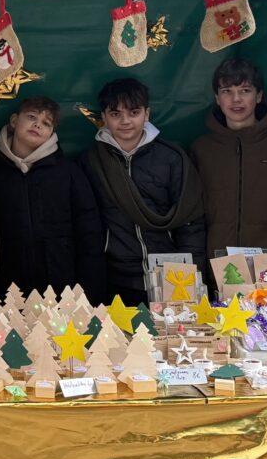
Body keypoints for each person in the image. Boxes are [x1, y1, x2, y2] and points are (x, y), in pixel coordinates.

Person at [78, 78, 206, 306]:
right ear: (104, 117)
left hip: (169, 278)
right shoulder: (90, 162)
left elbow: (191, 221)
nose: (125, 121)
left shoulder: (171, 158)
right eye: (116, 114)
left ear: (147, 114)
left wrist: (190, 274)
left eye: (134, 112)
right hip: (113, 278)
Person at [0, 96, 106, 303]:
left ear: (52, 132)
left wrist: (87, 286)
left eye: (46, 123)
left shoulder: (68, 173)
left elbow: (89, 230)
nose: (37, 125)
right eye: (31, 117)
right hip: (5, 286)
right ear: (14, 121)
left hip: (60, 284)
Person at [191, 59, 267, 262]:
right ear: (217, 99)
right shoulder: (201, 149)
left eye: (245, 90)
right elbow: (191, 214)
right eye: (227, 91)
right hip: (218, 266)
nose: (236, 99)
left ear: (259, 96)